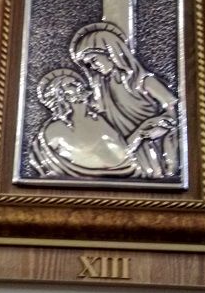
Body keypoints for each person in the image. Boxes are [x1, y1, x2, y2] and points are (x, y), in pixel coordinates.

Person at [68, 21, 179, 178]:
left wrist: (155, 126)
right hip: (120, 152)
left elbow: (174, 110)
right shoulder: (101, 91)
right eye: (88, 65)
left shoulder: (143, 81)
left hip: (149, 147)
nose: (93, 67)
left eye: (94, 60)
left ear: (110, 52)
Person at [29, 69, 174, 179]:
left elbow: (121, 152)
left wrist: (144, 130)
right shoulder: (55, 130)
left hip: (130, 178)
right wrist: (141, 132)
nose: (78, 85)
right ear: (60, 95)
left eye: (77, 82)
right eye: (70, 85)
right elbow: (109, 161)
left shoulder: (98, 118)